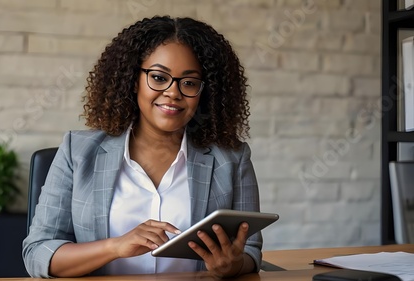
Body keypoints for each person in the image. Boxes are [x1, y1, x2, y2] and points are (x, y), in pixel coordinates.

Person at [23, 15, 262, 278]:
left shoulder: (232, 158)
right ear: (132, 79)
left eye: (189, 82)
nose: (173, 92)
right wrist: (115, 246)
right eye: (159, 77)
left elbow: (250, 249)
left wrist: (234, 265)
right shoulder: (77, 151)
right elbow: (37, 253)